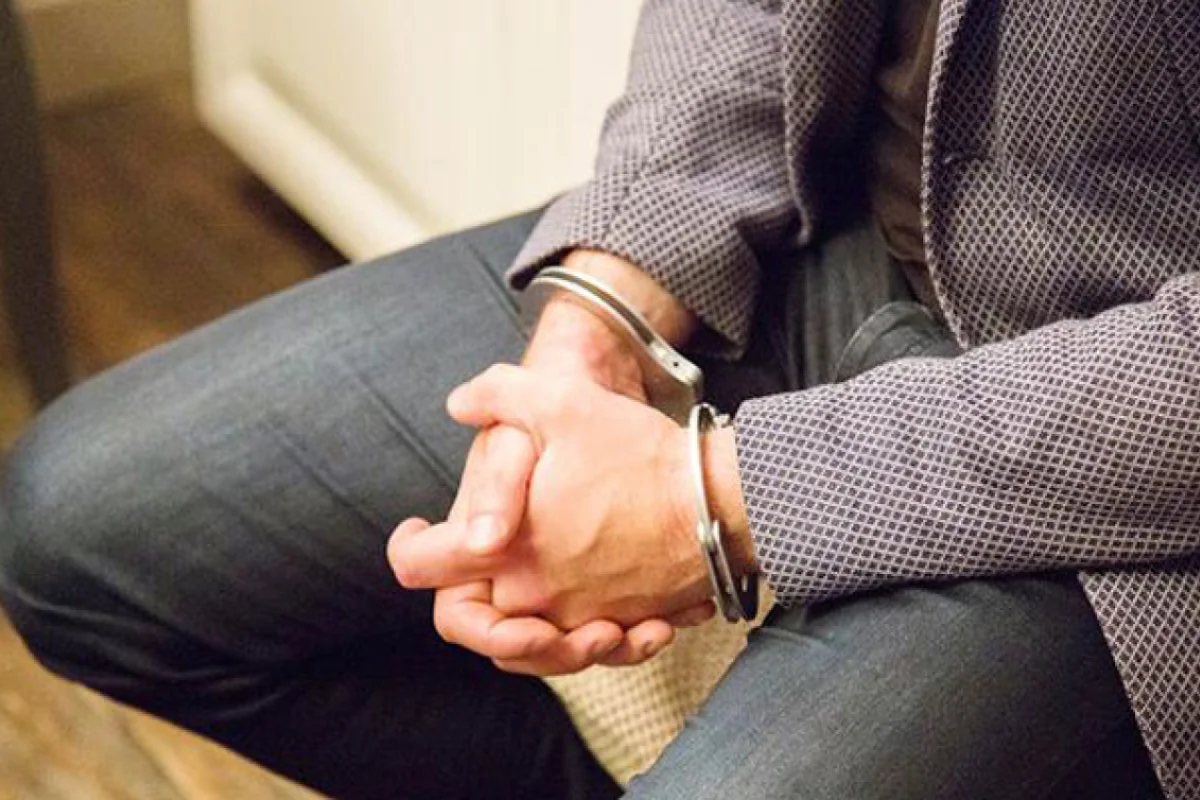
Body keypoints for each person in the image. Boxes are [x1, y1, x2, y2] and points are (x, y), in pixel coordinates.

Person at [2, 0, 1197, 796]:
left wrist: (711, 498)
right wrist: (601, 319)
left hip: (1137, 449)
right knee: (82, 532)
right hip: (842, 245)